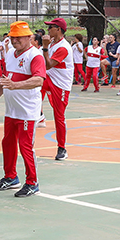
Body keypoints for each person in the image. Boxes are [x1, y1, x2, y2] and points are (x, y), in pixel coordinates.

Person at [0, 21, 46, 198]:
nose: (14, 42)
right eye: (12, 38)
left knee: (26, 146)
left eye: (18, 38)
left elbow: (39, 80)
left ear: (29, 37)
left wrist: (15, 85)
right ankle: (11, 177)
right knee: (8, 143)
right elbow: (6, 79)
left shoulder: (35, 56)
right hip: (11, 110)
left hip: (27, 111)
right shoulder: (11, 54)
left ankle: (32, 182)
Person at [42, 18, 73, 160]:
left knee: (59, 116)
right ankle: (38, 114)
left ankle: (62, 148)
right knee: (33, 85)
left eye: (51, 28)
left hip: (60, 85)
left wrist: (45, 47)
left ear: (58, 29)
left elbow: (48, 64)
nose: (48, 30)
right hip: (49, 79)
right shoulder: (54, 43)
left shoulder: (63, 47)